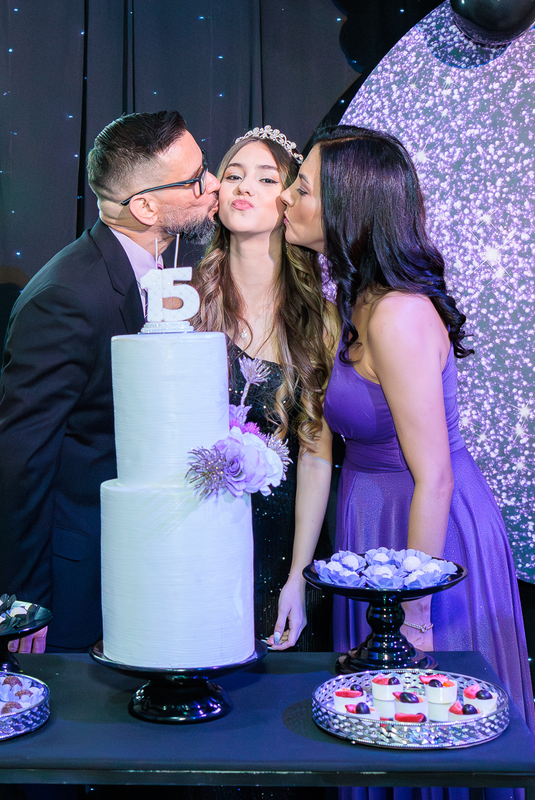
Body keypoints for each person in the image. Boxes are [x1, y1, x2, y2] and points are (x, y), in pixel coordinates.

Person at [281, 124, 535, 798]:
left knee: (429, 732)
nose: (286, 198)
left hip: (425, 534)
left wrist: (413, 614)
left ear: (348, 209)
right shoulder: (353, 303)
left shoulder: (397, 314)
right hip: (370, 527)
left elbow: (436, 477)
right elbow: (319, 445)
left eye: (302, 188)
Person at [0, 111, 220, 654]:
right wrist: (24, 600)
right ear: (145, 208)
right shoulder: (67, 297)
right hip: (64, 567)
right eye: (195, 179)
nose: (213, 184)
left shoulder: (146, 267)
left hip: (121, 547)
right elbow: (20, 454)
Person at [190, 126, 338, 652]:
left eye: (267, 178)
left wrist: (299, 575)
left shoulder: (319, 319)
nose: (244, 187)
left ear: (290, 200)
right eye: (233, 175)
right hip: (198, 529)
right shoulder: (183, 301)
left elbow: (316, 455)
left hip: (283, 537)